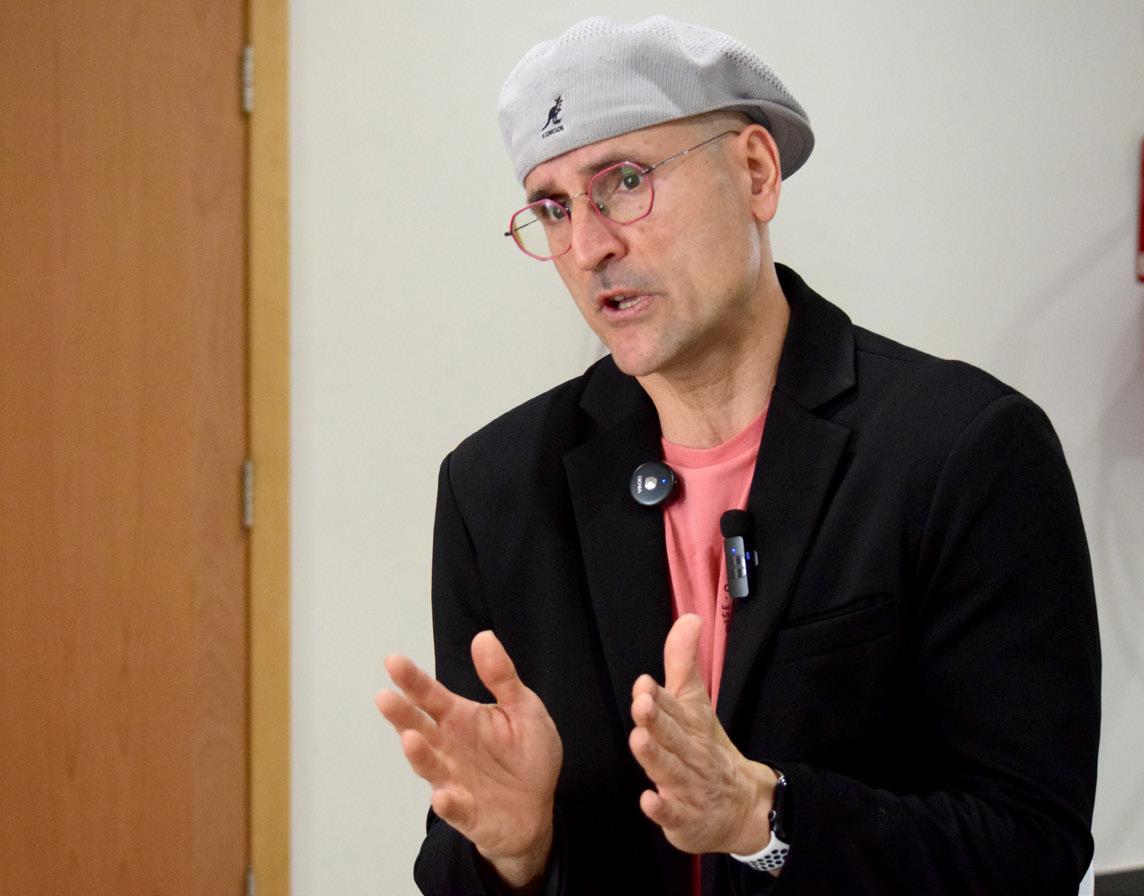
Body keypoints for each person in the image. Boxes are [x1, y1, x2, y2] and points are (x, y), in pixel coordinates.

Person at [375, 16, 1100, 896]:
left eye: (626, 181)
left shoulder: (962, 451)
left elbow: (1031, 849)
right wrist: (515, 850)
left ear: (755, 173)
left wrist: (766, 818)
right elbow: (459, 860)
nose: (590, 247)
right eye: (555, 208)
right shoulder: (496, 488)